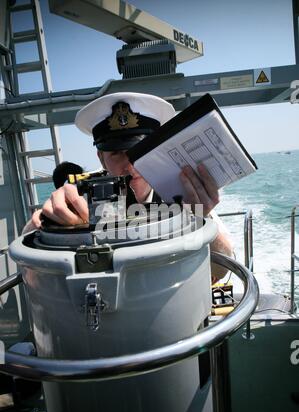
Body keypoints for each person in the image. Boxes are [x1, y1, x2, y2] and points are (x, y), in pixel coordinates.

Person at [23, 92, 233, 282]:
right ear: (102, 159)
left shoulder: (184, 193)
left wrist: (198, 218)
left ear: (157, 151)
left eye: (139, 150)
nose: (130, 166)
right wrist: (42, 222)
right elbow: (28, 262)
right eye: (116, 153)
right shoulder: (81, 194)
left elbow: (222, 268)